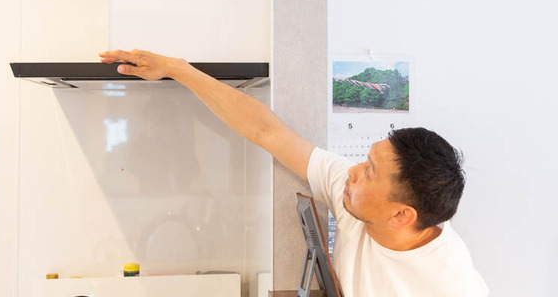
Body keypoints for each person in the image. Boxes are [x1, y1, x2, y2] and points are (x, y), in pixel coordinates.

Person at [99, 49, 489, 296]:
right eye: (366, 160)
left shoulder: (451, 284)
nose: (353, 171)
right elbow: (268, 132)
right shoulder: (353, 198)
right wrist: (179, 69)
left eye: (370, 172)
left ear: (401, 215)